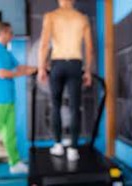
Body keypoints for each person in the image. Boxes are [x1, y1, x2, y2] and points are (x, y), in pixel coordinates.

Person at [38, 0, 93, 161]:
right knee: (75, 107)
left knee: (55, 106)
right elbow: (89, 48)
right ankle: (73, 149)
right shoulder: (82, 18)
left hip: (58, 64)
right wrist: (88, 71)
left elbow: (43, 44)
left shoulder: (51, 16)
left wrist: (41, 67)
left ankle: (58, 145)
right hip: (75, 65)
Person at [0, 22, 36, 183]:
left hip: (9, 99)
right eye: (10, 33)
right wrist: (21, 73)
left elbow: (19, 67)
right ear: (3, 33)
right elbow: (3, 73)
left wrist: (38, 68)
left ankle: (14, 163)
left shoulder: (7, 51)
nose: (12, 36)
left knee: (10, 134)